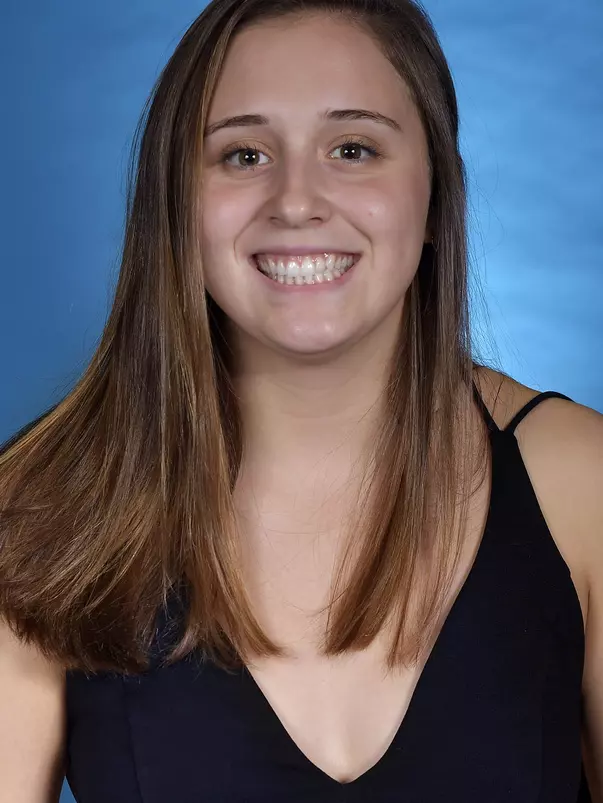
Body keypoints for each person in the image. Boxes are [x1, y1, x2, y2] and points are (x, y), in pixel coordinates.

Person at [0, 0, 601, 800]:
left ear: (434, 193)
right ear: (176, 203)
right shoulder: (39, 509)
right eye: (243, 155)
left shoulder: (580, 485)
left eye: (352, 148)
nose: (294, 200)